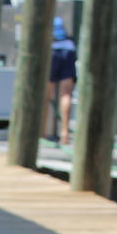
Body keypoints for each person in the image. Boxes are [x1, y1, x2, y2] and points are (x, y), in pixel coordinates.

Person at [43, 15, 77, 146]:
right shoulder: (68, 39)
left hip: (52, 52)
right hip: (68, 51)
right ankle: (65, 133)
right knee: (66, 94)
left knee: (46, 95)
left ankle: (42, 132)